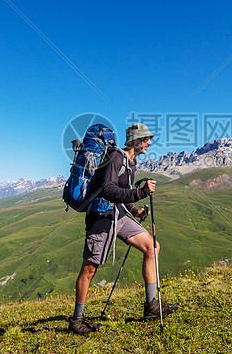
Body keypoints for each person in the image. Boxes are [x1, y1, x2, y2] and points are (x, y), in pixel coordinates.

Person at [67, 122, 179, 335]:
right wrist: (140, 193)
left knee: (151, 247)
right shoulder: (117, 157)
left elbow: (121, 192)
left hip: (118, 216)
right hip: (101, 216)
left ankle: (151, 306)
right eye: (146, 139)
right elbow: (108, 189)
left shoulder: (132, 161)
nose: (149, 142)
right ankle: (77, 319)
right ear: (135, 141)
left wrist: (134, 210)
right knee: (90, 269)